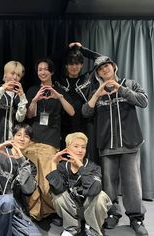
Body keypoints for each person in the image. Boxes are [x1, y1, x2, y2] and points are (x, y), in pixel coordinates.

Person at [82, 54, 149, 235]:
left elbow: (144, 101)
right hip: (106, 144)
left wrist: (121, 89)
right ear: (98, 73)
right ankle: (113, 213)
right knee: (109, 183)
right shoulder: (95, 89)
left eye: (107, 66)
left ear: (113, 66)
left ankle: (136, 218)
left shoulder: (129, 84)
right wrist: (97, 93)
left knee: (132, 184)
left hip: (130, 142)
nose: (105, 69)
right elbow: (86, 112)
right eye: (100, 68)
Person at [25, 58, 75, 222]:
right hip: (32, 139)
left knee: (47, 180)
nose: (42, 72)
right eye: (39, 69)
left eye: (46, 69)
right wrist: (35, 100)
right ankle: (35, 212)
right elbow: (29, 115)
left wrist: (59, 96)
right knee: (32, 178)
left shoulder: (59, 90)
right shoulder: (33, 90)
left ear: (52, 71)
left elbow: (72, 112)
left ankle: (52, 211)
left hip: (51, 139)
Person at [46, 132, 111, 236]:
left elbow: (95, 189)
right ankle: (71, 228)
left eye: (83, 147)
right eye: (76, 146)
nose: (80, 150)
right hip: (72, 208)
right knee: (57, 195)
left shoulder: (93, 167)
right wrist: (53, 164)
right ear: (67, 148)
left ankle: (93, 231)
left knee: (101, 196)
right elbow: (57, 189)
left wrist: (81, 167)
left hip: (90, 209)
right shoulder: (63, 167)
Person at [54, 42, 101, 163]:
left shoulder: (87, 78)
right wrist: (67, 48)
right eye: (70, 64)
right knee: (65, 158)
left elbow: (101, 60)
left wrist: (82, 50)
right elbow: (50, 62)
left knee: (83, 158)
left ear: (81, 65)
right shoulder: (60, 80)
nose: (74, 67)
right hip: (63, 124)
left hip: (85, 123)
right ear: (66, 65)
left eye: (77, 63)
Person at [0, 61, 27, 148]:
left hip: (12, 143)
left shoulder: (18, 95)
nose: (15, 77)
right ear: (5, 73)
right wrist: (2, 89)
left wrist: (22, 97)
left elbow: (20, 119)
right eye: (12, 73)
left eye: (18, 75)